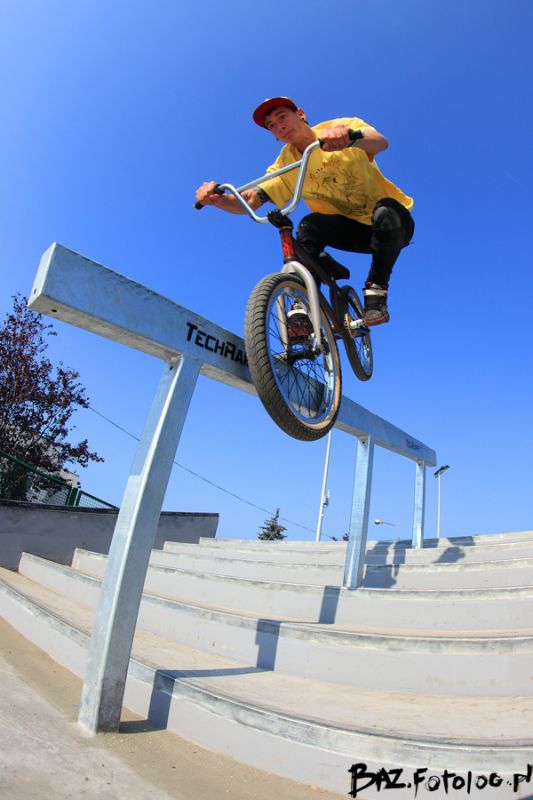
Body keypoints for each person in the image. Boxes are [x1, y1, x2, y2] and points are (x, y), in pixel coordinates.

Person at [195, 96, 414, 327]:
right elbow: (250, 200)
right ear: (275, 136)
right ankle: (303, 302)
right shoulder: (285, 164)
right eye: (272, 126)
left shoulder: (338, 128)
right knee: (309, 225)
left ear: (300, 113)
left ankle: (376, 291)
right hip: (349, 231)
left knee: (386, 211)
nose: (279, 126)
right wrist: (217, 200)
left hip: (393, 227)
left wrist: (350, 137)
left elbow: (380, 142)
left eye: (282, 117)